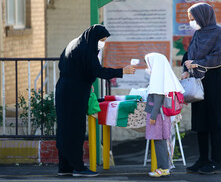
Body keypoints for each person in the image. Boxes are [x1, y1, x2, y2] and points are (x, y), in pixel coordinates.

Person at [55, 25, 136, 177]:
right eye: (101, 40)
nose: (102, 43)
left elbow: (72, 66)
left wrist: (86, 83)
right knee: (75, 129)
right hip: (74, 92)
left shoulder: (75, 43)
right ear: (94, 38)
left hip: (65, 88)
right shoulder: (86, 49)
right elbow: (97, 71)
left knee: (65, 128)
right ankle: (78, 167)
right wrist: (122, 71)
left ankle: (65, 167)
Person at [181, 3, 221, 175]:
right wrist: (186, 70)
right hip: (197, 81)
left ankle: (216, 162)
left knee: (214, 122)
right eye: (190, 19)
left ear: (203, 16)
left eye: (193, 19)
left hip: (214, 81)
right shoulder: (198, 34)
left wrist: (197, 64)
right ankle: (203, 159)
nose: (192, 22)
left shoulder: (218, 33)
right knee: (200, 122)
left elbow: (219, 57)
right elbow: (187, 55)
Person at [144, 52, 185, 178]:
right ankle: (164, 167)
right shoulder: (162, 76)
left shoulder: (157, 78)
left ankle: (163, 168)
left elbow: (157, 99)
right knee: (160, 140)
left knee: (159, 141)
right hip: (162, 115)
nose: (148, 66)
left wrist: (152, 117)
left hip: (158, 115)